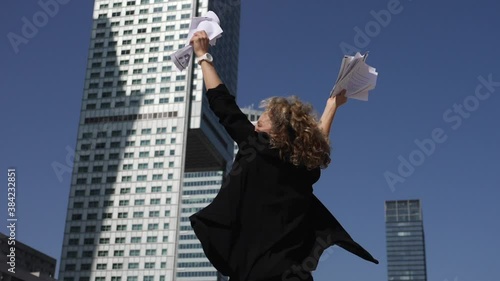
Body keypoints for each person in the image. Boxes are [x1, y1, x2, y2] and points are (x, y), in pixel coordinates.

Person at [189, 31, 378, 281]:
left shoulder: (257, 148)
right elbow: (315, 145)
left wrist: (203, 55)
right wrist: (332, 105)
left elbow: (223, 105)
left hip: (256, 272)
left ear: (276, 130)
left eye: (262, 117)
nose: (256, 121)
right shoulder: (303, 168)